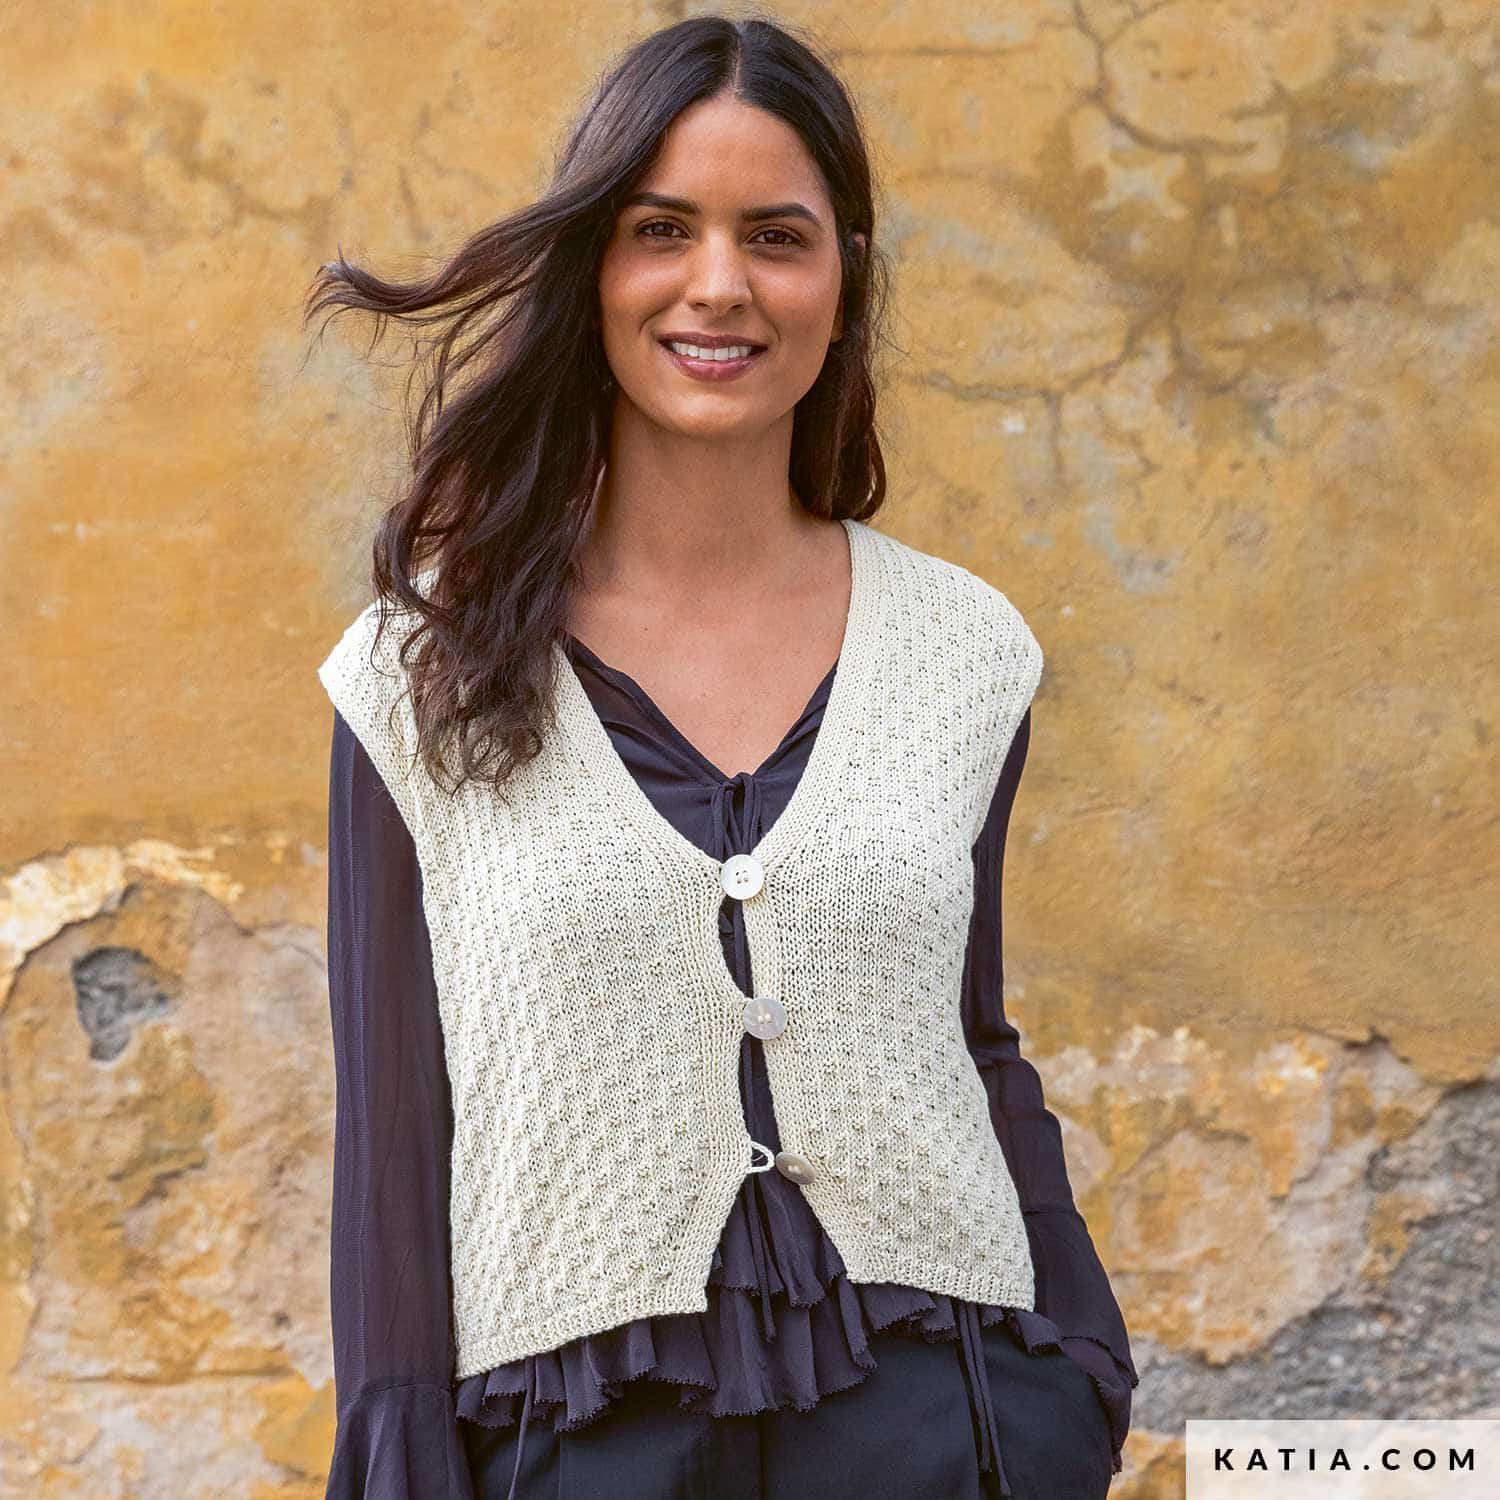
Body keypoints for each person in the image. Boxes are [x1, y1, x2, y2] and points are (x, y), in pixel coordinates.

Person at [307, 15, 1138, 1499]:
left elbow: (969, 1033)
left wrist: (1081, 1362)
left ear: (844, 275)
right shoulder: (416, 666)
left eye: (776, 236)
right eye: (660, 230)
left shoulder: (962, 648)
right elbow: (393, 1120)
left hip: (951, 1419)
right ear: (593, 269)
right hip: (571, 1440)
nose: (719, 285)